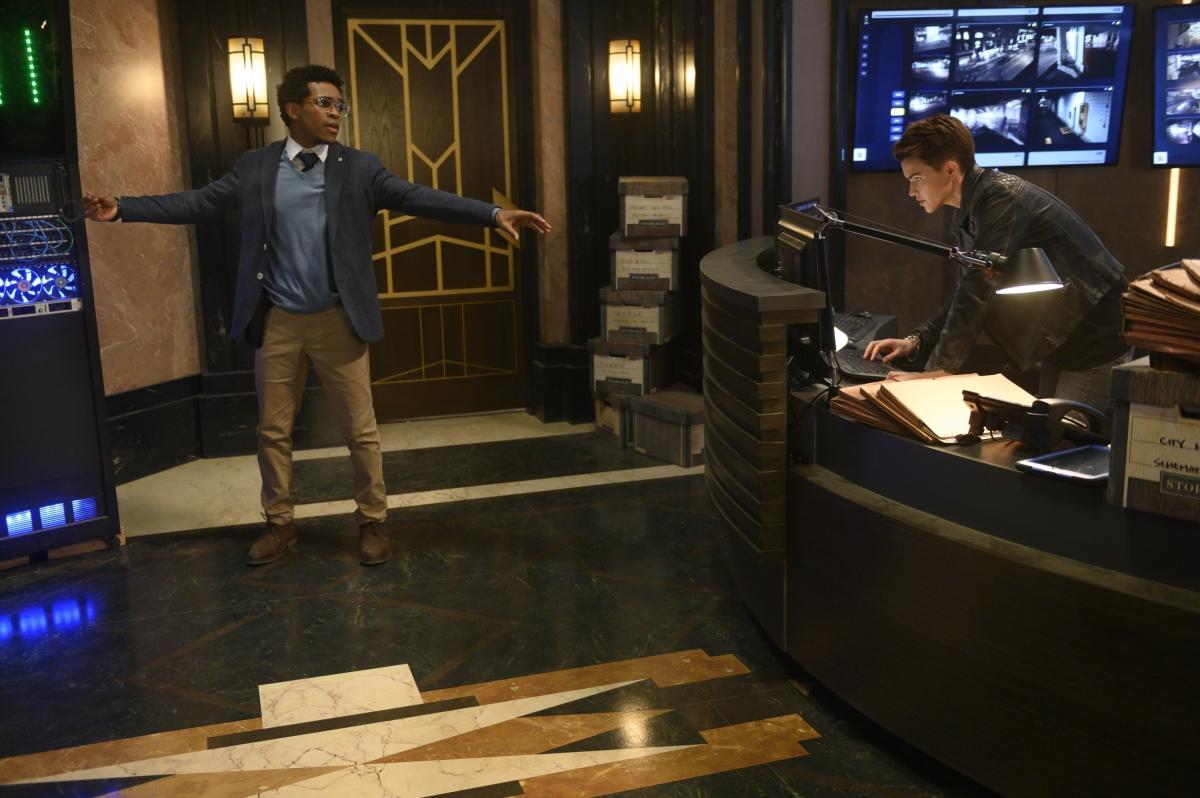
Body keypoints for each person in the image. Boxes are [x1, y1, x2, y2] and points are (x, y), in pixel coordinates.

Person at [84, 65, 550, 567]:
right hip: (277, 319)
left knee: (360, 431)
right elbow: (199, 202)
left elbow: (421, 197)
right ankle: (279, 524)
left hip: (338, 319)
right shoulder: (257, 166)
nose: (335, 114)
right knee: (272, 431)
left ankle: (373, 521)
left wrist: (492, 214)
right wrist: (124, 207)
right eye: (324, 103)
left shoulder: (360, 168)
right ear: (292, 109)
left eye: (339, 105)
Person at [864, 115, 1131, 410]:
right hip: (1066, 338)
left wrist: (937, 373)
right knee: (1048, 427)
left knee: (1069, 432)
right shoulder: (972, 209)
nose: (911, 192)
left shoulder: (999, 199)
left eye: (916, 179)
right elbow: (965, 291)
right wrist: (917, 340)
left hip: (1095, 335)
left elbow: (976, 291)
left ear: (950, 170)